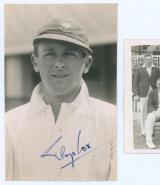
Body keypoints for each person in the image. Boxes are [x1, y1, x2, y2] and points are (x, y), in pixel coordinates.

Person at [5, 18, 116, 180]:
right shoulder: (8, 124)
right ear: (35, 62)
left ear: (87, 63)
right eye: (50, 54)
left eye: (69, 54)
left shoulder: (114, 121)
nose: (58, 64)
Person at [133, 54, 160, 135]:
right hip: (142, 94)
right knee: (143, 113)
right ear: (144, 60)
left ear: (152, 60)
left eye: (150, 59)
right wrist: (136, 94)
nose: (149, 61)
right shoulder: (139, 69)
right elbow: (135, 83)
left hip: (153, 93)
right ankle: (144, 131)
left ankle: (151, 130)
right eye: (147, 59)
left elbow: (158, 81)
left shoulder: (156, 69)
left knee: (152, 112)